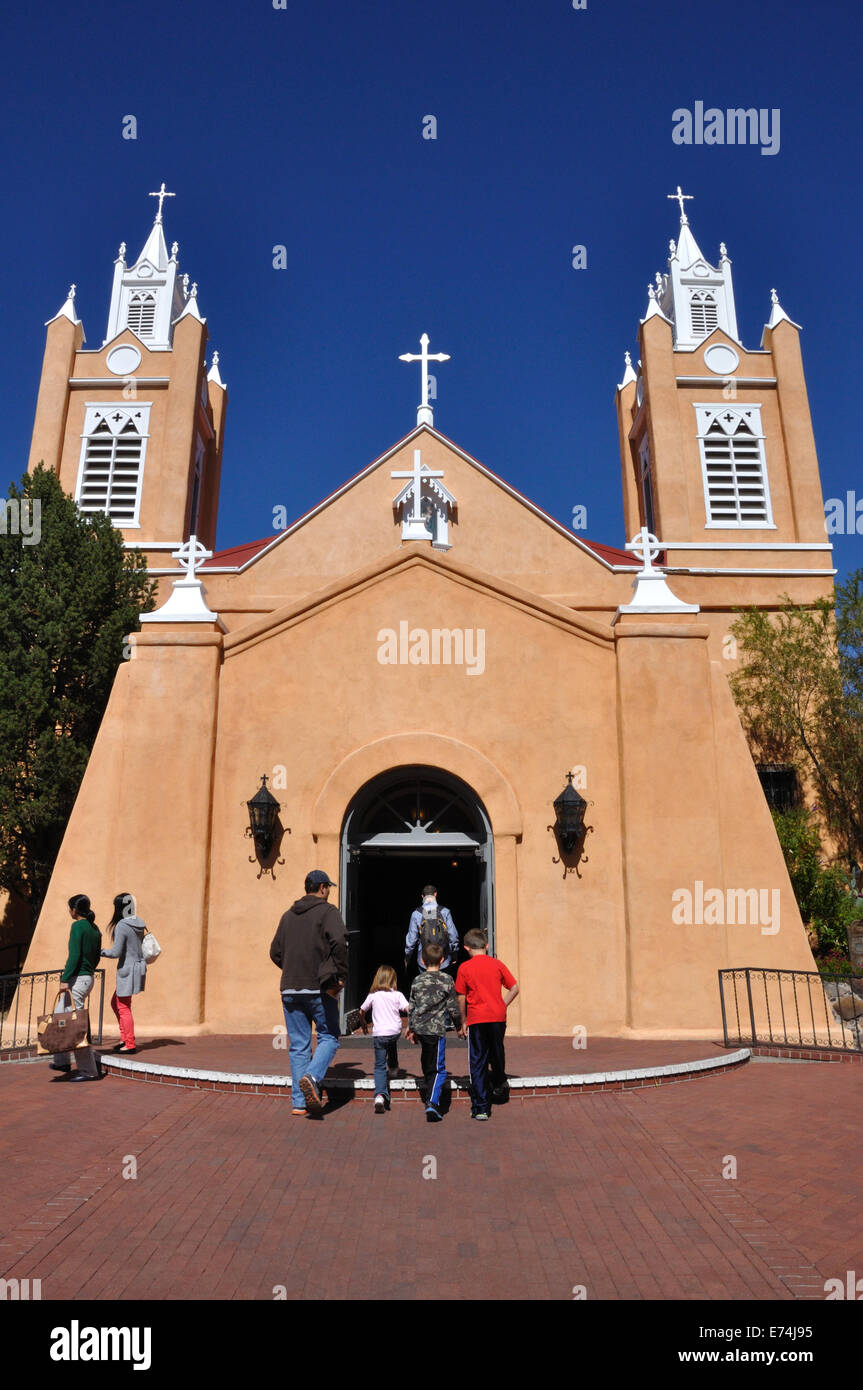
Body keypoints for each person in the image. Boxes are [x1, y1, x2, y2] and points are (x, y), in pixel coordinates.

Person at [269, 870, 348, 1118]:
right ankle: (312, 1077)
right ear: (322, 887)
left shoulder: (287, 916)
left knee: (299, 1046)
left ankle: (299, 1103)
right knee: (329, 1036)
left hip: (290, 988)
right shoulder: (328, 912)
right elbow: (340, 942)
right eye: (329, 888)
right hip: (319, 987)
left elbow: (275, 952)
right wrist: (340, 975)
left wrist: (293, 969)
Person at [455, 929, 519, 1121]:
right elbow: (514, 987)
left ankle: (481, 1107)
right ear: (487, 946)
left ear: (466, 948)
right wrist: (502, 1004)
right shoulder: (497, 964)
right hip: (498, 1017)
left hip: (477, 1019)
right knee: (497, 1051)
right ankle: (499, 1082)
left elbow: (461, 996)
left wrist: (462, 1021)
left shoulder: (464, 968)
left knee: (478, 1060)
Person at [407, 941, 461, 1122]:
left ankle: (429, 1087)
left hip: (420, 1029)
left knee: (427, 1059)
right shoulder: (446, 980)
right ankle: (432, 1103)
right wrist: (459, 1026)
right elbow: (453, 1007)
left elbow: (412, 1007)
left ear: (422, 960)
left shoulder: (417, 980)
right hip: (436, 1030)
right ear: (443, 960)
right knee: (439, 1069)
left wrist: (410, 1028)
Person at [51, 894, 102, 1082]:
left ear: (74, 910)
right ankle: (62, 1061)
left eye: (69, 908)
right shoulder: (95, 929)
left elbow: (74, 955)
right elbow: (96, 957)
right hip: (87, 977)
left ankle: (88, 1071)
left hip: (77, 979)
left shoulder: (77, 926)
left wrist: (65, 979)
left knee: (77, 1026)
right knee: (59, 1017)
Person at [358, 966, 410, 1114]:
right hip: (394, 1032)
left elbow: (361, 1011)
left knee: (379, 1066)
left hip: (379, 1034)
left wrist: (363, 1024)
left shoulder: (373, 996)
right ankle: (393, 1067)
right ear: (393, 980)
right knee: (391, 1044)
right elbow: (408, 1009)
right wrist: (410, 1025)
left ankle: (380, 1096)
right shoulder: (398, 995)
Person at [100, 892, 147, 1054]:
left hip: (127, 970)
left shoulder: (122, 925)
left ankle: (130, 1043)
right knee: (118, 1003)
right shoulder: (139, 923)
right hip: (138, 968)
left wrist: (100, 951)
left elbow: (115, 952)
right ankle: (125, 1038)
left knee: (123, 1006)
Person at [404, 884, 458, 975]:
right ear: (435, 894)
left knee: (425, 986)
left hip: (424, 961)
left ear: (422, 896)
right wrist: (454, 954)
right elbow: (453, 936)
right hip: (443, 960)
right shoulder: (444, 911)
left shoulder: (417, 914)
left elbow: (411, 940)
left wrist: (407, 957)